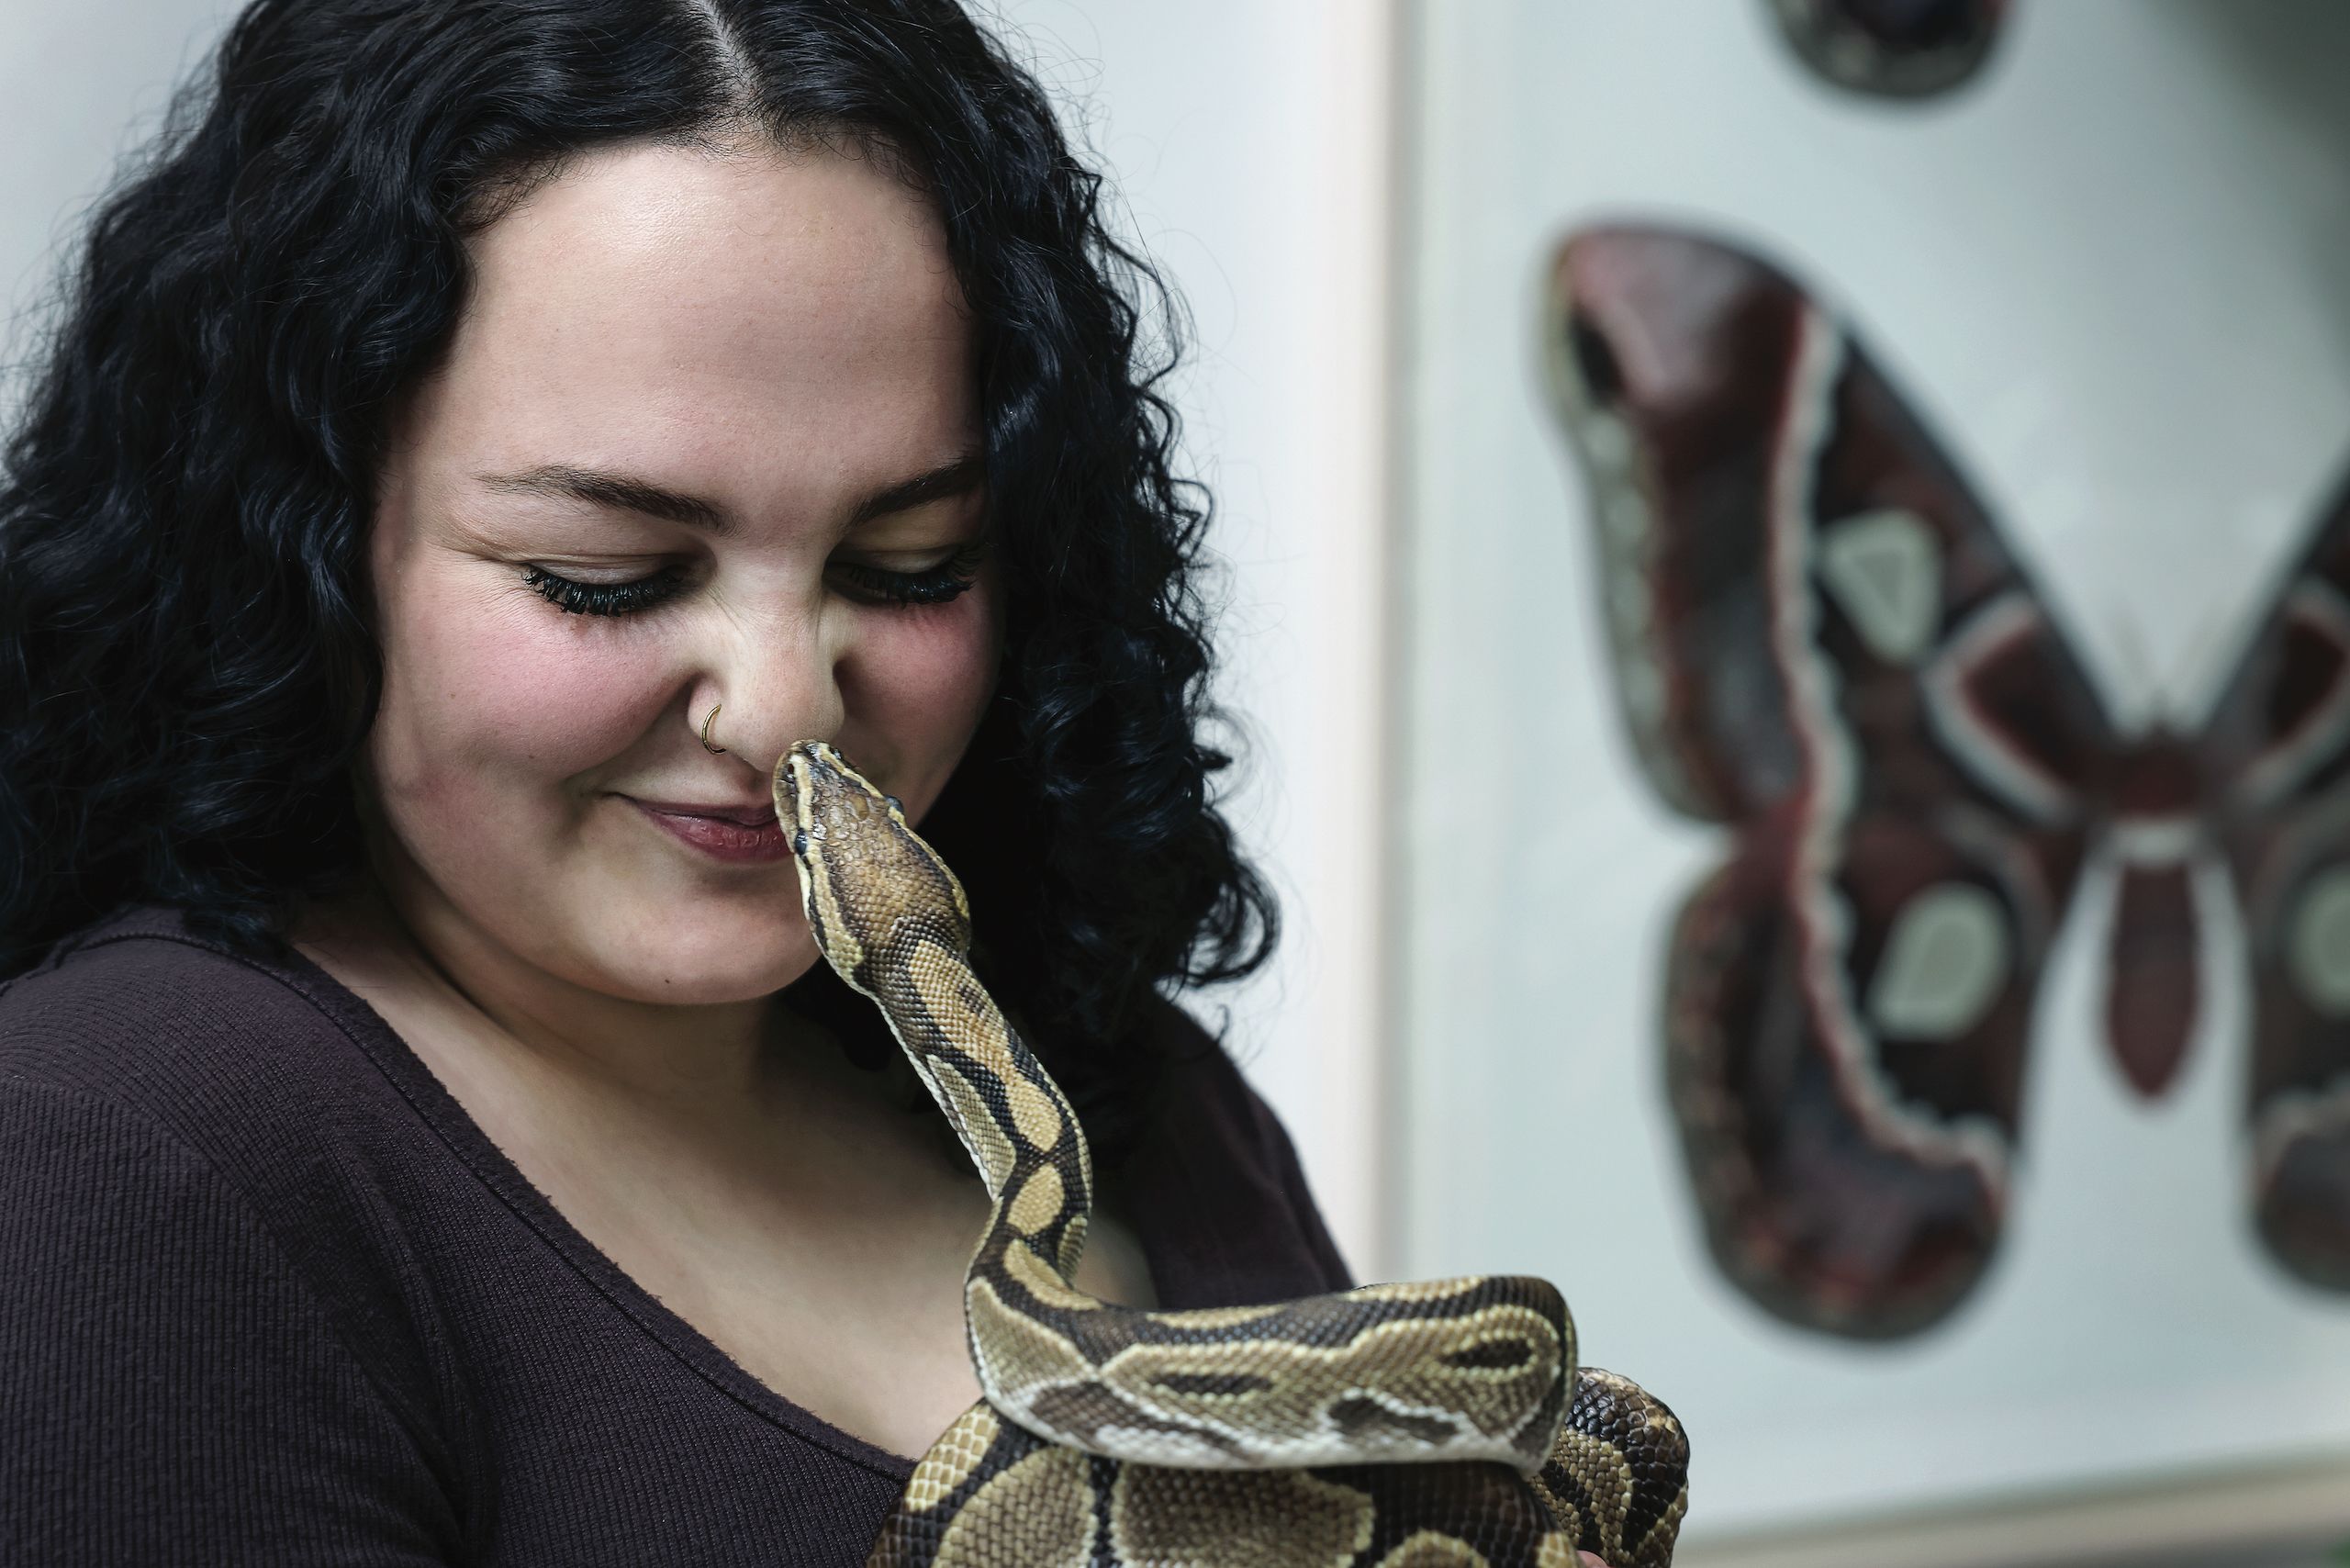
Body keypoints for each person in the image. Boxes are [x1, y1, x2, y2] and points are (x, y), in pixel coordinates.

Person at [0, 3, 1359, 1561]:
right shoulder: (118, 1157)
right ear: (302, 550)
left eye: (909, 567)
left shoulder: (1145, 1100)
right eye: (606, 576)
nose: (787, 713)